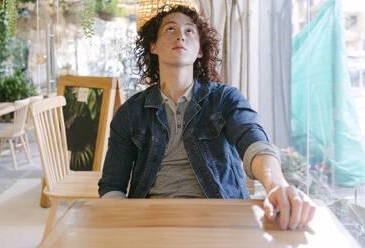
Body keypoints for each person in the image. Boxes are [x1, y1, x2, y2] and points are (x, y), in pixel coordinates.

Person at [98, 4, 316, 230]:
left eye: (190, 31)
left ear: (200, 50)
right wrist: (120, 230)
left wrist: (276, 184)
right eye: (170, 29)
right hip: (152, 222)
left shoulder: (225, 99)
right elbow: (112, 187)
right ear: (153, 46)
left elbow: (254, 142)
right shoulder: (130, 112)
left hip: (221, 219)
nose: (181, 35)